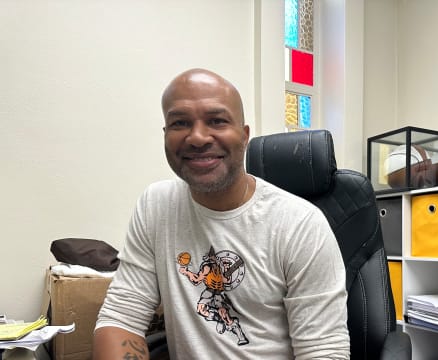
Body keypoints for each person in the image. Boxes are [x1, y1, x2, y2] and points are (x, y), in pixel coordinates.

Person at [93, 68, 350, 359]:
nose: (198, 137)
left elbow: (323, 351)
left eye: (217, 121)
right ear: (166, 135)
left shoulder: (301, 224)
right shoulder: (156, 205)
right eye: (180, 123)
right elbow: (121, 317)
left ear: (244, 136)